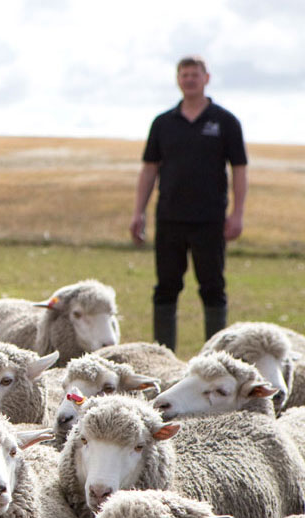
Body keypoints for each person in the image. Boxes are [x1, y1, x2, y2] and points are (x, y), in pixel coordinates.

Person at [130, 55, 247, 351]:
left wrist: (237, 214)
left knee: (212, 289)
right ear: (178, 80)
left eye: (195, 74)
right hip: (169, 218)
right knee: (166, 289)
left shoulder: (225, 121)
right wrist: (138, 212)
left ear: (206, 78)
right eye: (184, 75)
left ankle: (216, 357)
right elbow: (149, 169)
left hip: (210, 220)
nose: (189, 79)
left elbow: (239, 169)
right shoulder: (163, 123)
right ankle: (162, 355)